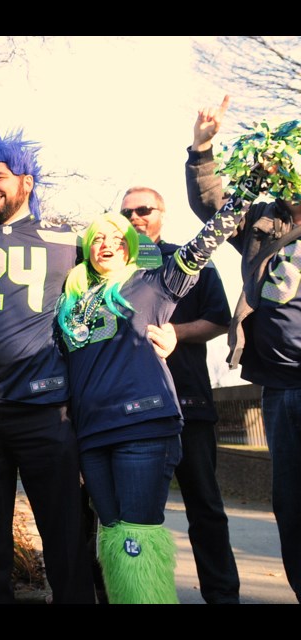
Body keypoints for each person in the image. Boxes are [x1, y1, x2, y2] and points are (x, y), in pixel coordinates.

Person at [57, 161, 268, 603]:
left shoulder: (152, 284)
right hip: (92, 433)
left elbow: (203, 244)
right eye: (99, 237)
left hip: (143, 427)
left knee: (137, 538)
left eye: (119, 238)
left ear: (132, 246)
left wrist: (248, 189)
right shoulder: (74, 298)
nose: (108, 244)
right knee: (112, 535)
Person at [0, 132, 97, 604]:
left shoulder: (70, 242)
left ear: (26, 183)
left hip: (43, 405)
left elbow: (127, 278)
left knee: (65, 526)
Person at [186, 94, 301, 602]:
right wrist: (203, 149)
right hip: (278, 388)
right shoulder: (265, 224)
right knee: (291, 505)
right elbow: (213, 205)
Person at [121, 185, 241, 603]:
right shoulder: (113, 268)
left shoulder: (192, 260)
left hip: (187, 401)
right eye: (126, 212)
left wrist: (176, 333)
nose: (134, 217)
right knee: (124, 514)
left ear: (162, 213)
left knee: (204, 507)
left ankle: (222, 595)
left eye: (143, 209)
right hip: (126, 409)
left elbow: (219, 320)